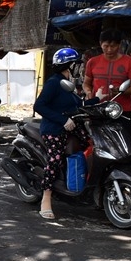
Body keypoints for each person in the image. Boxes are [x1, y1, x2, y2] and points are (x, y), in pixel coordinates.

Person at [33, 48, 101, 220]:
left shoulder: (68, 84)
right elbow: (39, 106)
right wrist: (62, 121)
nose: (79, 68)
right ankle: (46, 198)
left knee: (92, 147)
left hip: (72, 128)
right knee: (55, 159)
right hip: (54, 129)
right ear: (69, 65)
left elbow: (79, 105)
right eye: (77, 64)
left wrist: (99, 98)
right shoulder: (54, 83)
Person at [83, 28, 131, 114]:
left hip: (121, 110)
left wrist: (122, 91)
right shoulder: (92, 62)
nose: (109, 50)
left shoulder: (129, 62)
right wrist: (88, 93)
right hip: (97, 109)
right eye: (106, 46)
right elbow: (86, 83)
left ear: (119, 44)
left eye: (113, 46)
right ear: (100, 44)